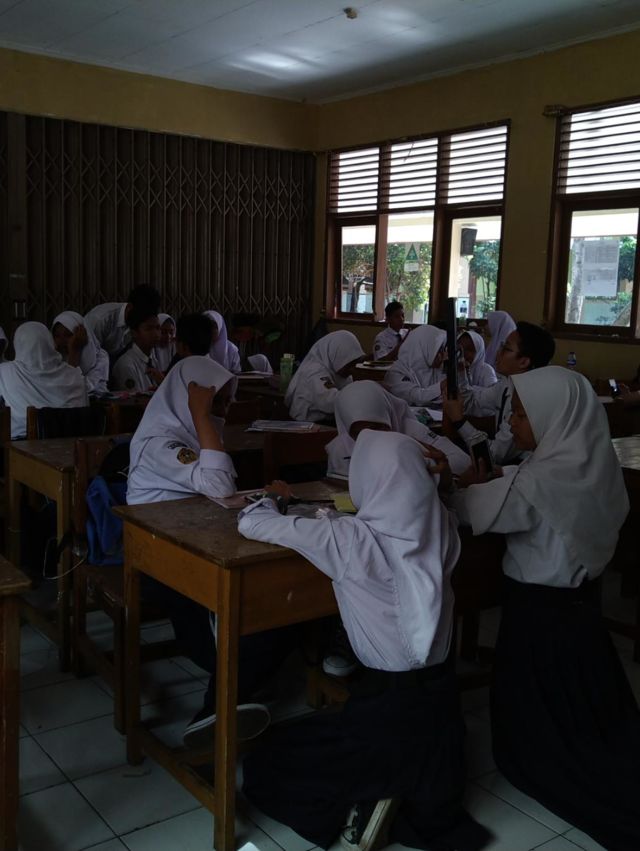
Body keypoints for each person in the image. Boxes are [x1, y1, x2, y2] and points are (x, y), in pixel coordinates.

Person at [238, 431, 491, 851]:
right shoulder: (442, 528)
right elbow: (440, 505)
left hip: (385, 712)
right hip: (441, 709)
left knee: (270, 760)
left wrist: (273, 499)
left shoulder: (351, 539)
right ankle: (388, 789)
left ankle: (368, 796)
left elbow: (251, 524)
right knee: (372, 749)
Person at [451, 366, 640, 851]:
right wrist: (502, 477)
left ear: (554, 417)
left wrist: (468, 487)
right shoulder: (594, 464)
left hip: (537, 613)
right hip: (582, 611)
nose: (512, 423)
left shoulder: (537, 483)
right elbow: (531, 484)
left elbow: (474, 510)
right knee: (591, 711)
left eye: (521, 414)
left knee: (543, 728)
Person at [127, 356, 286, 747]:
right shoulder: (160, 442)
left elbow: (219, 489)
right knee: (243, 626)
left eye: (227, 401)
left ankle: (221, 705)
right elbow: (218, 484)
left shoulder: (191, 433)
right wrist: (200, 414)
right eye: (216, 402)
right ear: (189, 399)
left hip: (197, 548)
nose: (224, 411)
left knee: (274, 610)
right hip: (161, 560)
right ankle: (224, 699)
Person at [443, 321, 555, 465]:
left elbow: (494, 455)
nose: (498, 352)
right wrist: (460, 372)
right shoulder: (506, 385)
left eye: (506, 348)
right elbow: (472, 402)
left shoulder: (527, 400)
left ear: (523, 362)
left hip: (519, 466)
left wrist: (459, 421)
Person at [326, 380, 469, 479]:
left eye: (377, 427)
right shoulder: (340, 448)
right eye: (358, 433)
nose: (370, 436)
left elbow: (463, 461)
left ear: (388, 416)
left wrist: (423, 463)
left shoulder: (411, 431)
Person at [0, 321, 88, 438]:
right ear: (50, 343)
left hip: (22, 444)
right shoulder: (75, 374)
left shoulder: (5, 372)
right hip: (70, 442)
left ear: (17, 345)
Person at [284, 330, 365, 422]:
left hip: (326, 421)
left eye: (354, 364)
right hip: (308, 424)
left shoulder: (337, 369)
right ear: (337, 356)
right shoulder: (314, 372)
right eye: (349, 365)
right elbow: (331, 402)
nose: (352, 370)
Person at [84, 284, 161, 361]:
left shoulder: (137, 321)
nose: (141, 321)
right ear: (130, 307)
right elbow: (88, 356)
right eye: (141, 316)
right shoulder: (100, 319)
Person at [384, 324, 446, 406]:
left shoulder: (434, 369)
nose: (443, 356)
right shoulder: (396, 372)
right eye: (439, 351)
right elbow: (416, 397)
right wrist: (442, 385)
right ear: (424, 349)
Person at [51, 310, 110, 395]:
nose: (62, 341)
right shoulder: (52, 358)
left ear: (82, 335)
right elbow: (59, 390)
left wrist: (74, 351)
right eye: (57, 336)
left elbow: (77, 388)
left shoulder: (100, 358)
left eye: (68, 335)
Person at [111, 309, 161, 392]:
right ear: (134, 333)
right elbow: (134, 398)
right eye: (149, 329)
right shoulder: (126, 365)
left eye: (158, 328)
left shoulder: (153, 360)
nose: (156, 334)